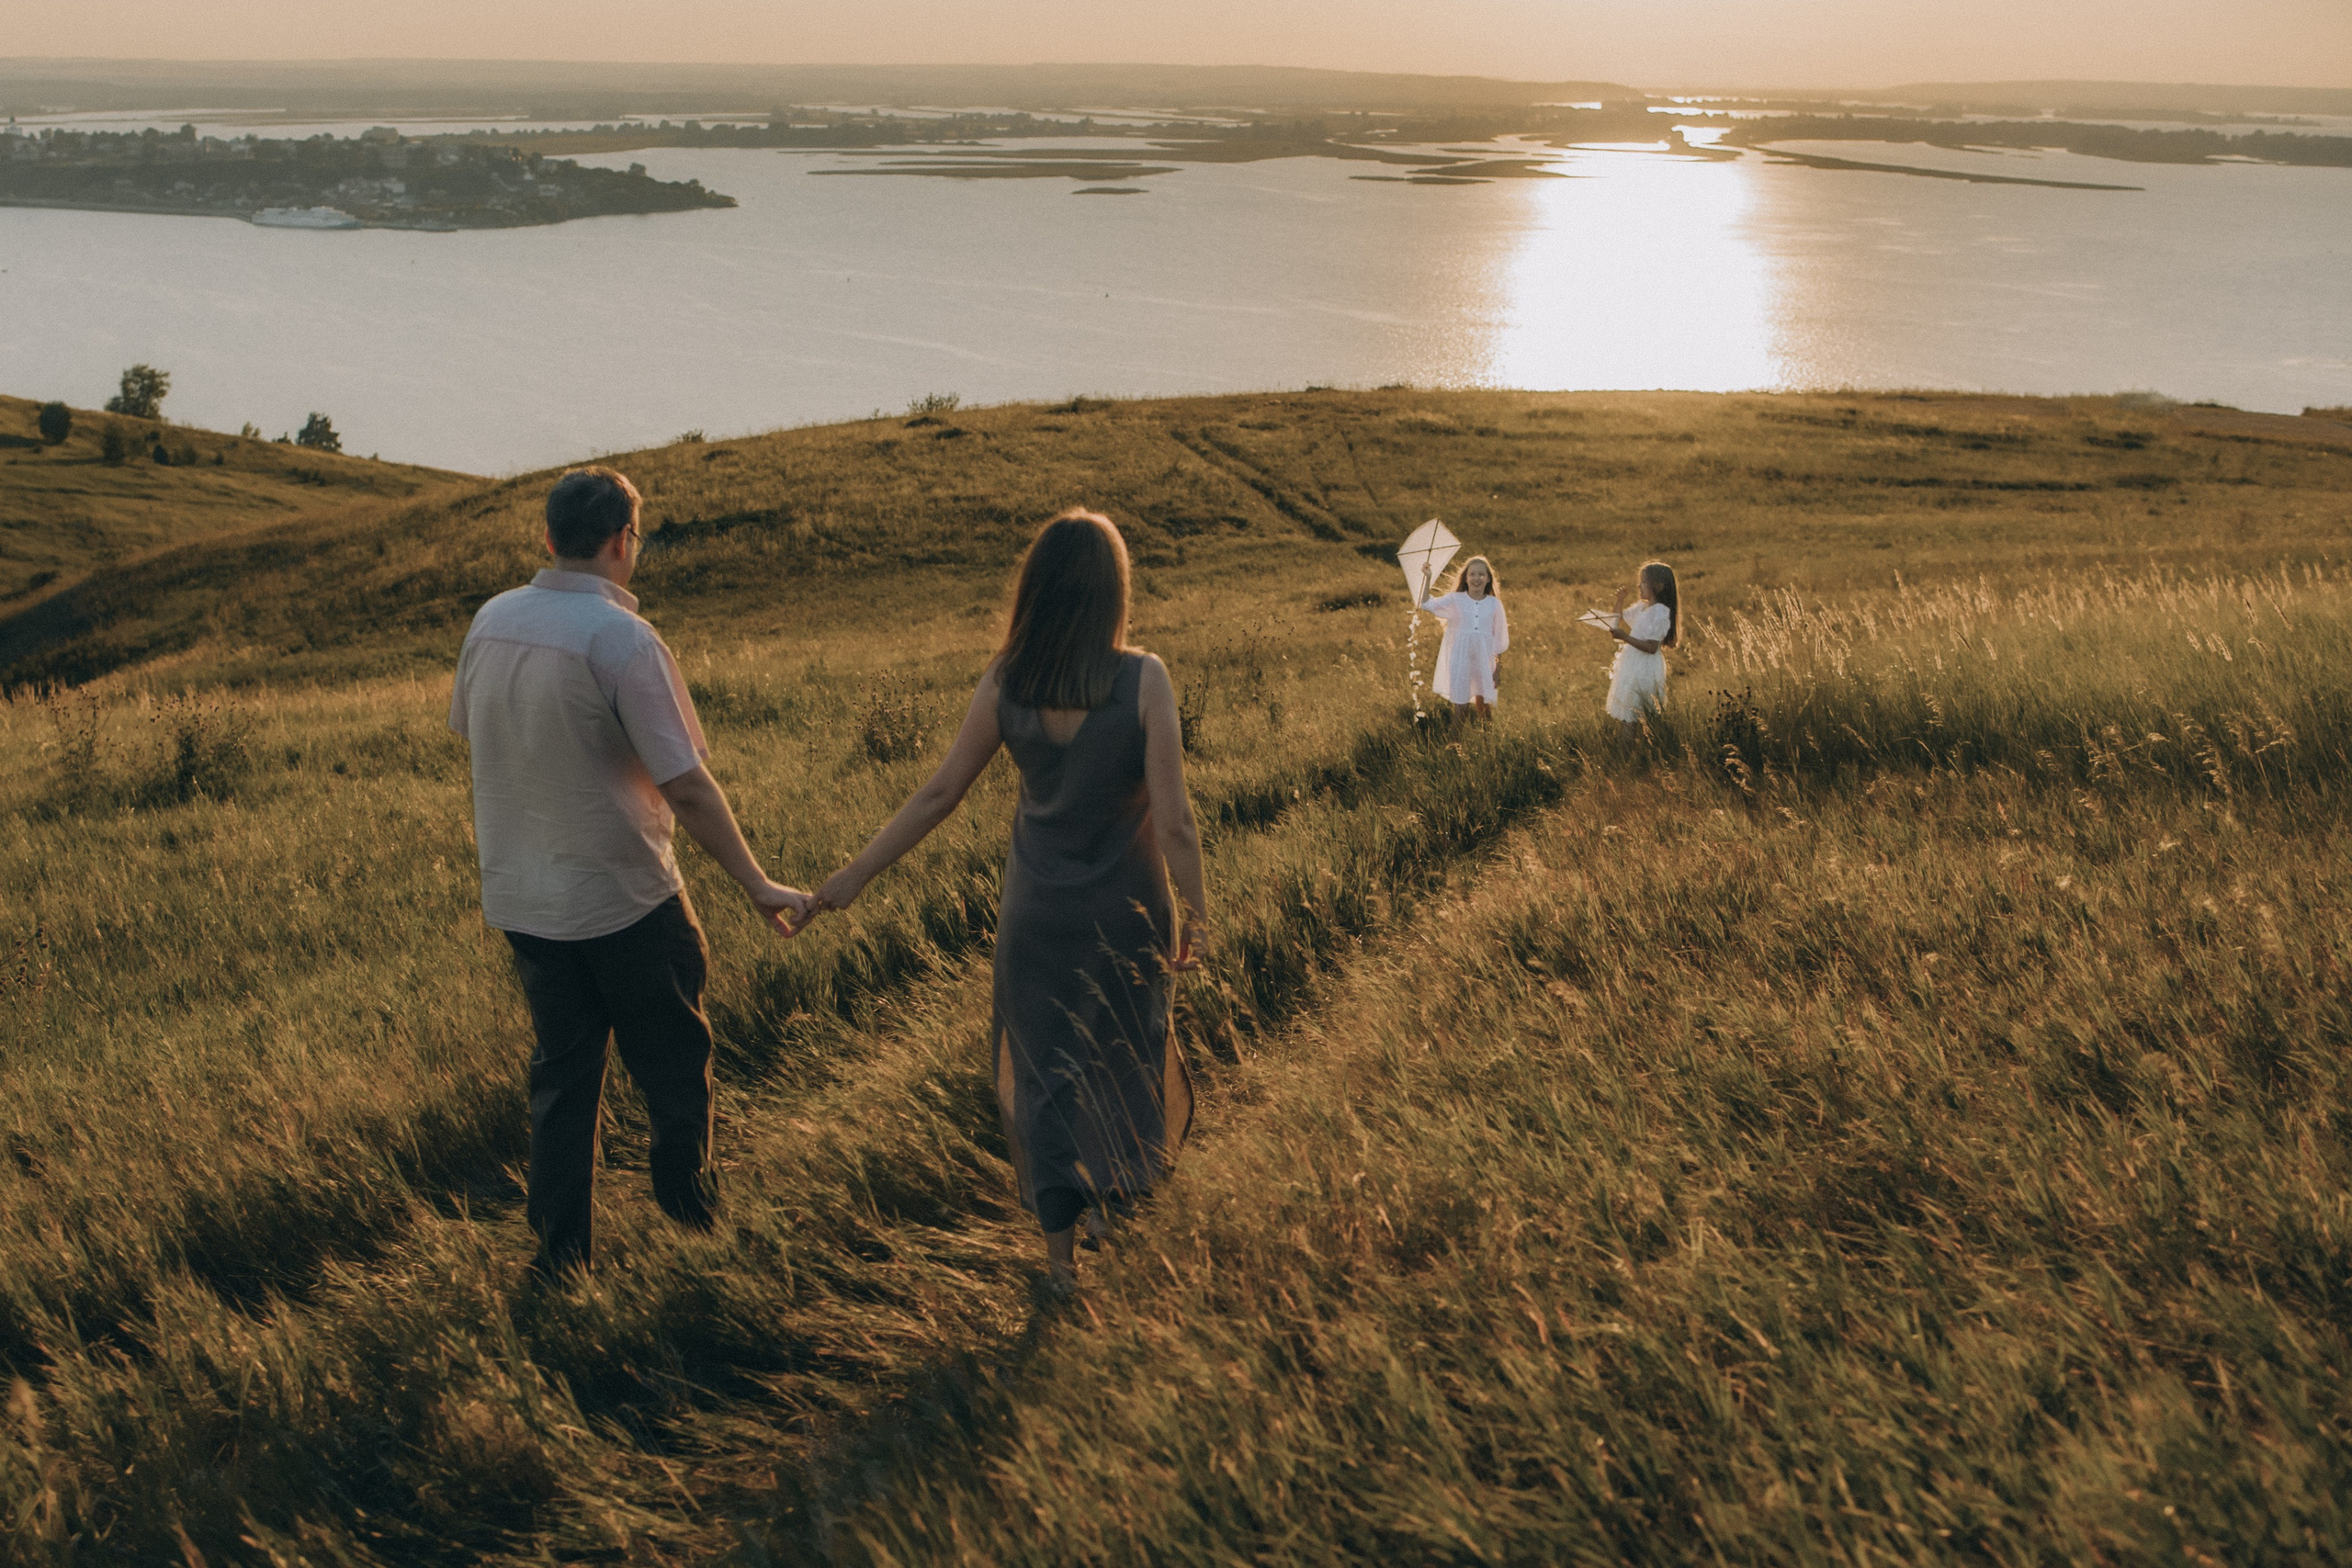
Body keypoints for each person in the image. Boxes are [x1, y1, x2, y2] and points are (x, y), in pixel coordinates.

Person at [813, 510, 1207, 1291]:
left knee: (1047, 1079)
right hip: (1125, 916)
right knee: (1126, 1062)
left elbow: (938, 793)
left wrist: (848, 878)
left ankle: (1059, 1268)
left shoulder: (1007, 682)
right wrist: (1197, 910)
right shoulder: (1144, 679)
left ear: (1037, 589)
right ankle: (1115, 1213)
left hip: (1036, 921)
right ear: (1112, 593)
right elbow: (1176, 820)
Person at [449, 465, 814, 1279]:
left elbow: (474, 733)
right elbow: (684, 782)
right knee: (675, 1061)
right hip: (624, 899)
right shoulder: (622, 639)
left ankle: (560, 1258)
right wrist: (757, 883)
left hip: (523, 898)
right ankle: (694, 1220)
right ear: (623, 541)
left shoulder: (491, 621)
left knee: (563, 1079)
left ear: (548, 538)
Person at [1415, 554, 1510, 718]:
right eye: (1472, 574)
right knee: (1461, 710)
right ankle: (1454, 744)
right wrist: (1428, 578)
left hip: (1484, 661)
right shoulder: (1456, 599)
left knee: (1484, 708)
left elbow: (1499, 639)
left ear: (1488, 579)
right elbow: (1427, 604)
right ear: (1465, 578)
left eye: (1481, 574)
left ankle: (1488, 743)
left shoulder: (1494, 604)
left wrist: (1497, 670)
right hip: (1461, 660)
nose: (1476, 578)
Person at [1598, 559, 1680, 728]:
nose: (1639, 586)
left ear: (1658, 586)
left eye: (1643, 582)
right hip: (1632, 662)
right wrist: (1620, 600)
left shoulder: (1660, 612)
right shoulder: (1643, 607)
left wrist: (1625, 637)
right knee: (1627, 713)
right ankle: (1628, 751)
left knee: (1634, 715)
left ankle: (1628, 752)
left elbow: (1651, 647)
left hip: (1645, 666)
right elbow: (1618, 619)